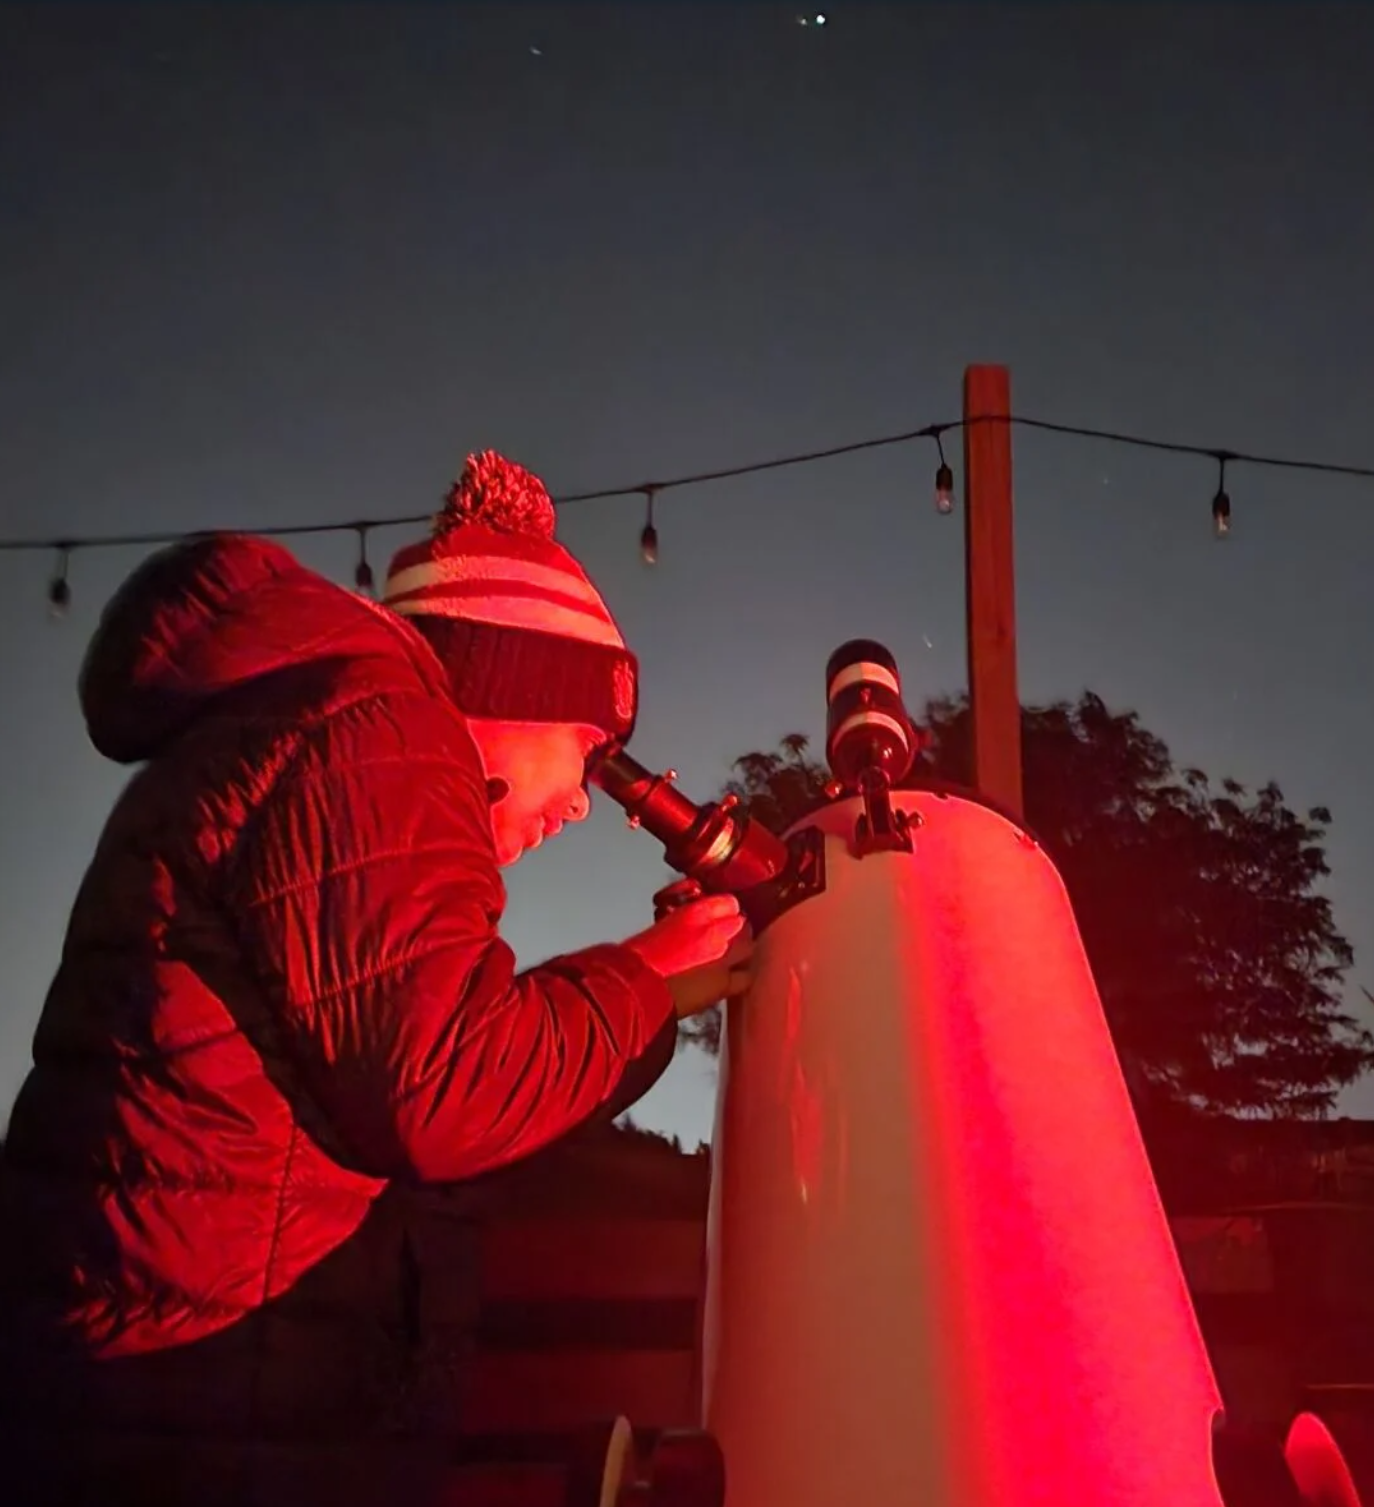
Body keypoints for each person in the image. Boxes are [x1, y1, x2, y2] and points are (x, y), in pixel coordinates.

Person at [0, 450, 751, 1506]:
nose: (586, 802)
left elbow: (415, 1068)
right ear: (511, 679)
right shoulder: (379, 728)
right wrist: (641, 976)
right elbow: (441, 1089)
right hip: (200, 1418)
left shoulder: (324, 726)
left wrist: (649, 1003)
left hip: (180, 1402)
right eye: (589, 751)